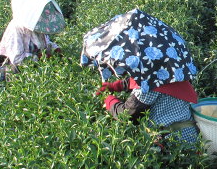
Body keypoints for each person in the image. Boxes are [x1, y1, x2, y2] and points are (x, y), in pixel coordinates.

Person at [82, 10, 200, 146]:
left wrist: (109, 101)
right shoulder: (169, 65)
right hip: (188, 134)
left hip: (174, 143)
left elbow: (128, 114)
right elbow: (139, 78)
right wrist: (117, 85)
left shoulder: (150, 82)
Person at [0, 0, 65, 68]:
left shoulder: (36, 24)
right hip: (21, 69)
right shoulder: (15, 30)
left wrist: (55, 48)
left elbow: (46, 42)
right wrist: (39, 57)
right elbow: (17, 58)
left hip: (38, 65)